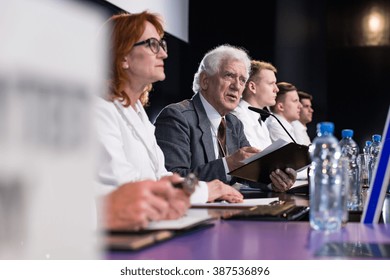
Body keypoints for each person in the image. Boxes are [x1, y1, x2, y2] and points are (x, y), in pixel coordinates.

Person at [96, 12, 243, 231]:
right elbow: (128, 191)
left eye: (162, 45)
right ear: (123, 56)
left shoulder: (137, 113)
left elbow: (164, 176)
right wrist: (206, 190)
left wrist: (211, 187)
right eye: (152, 45)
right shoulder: (99, 109)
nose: (164, 54)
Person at [155, 45, 297, 192]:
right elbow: (174, 180)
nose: (237, 86)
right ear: (205, 80)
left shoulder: (234, 123)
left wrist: (273, 181)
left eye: (242, 80)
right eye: (229, 75)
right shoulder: (177, 117)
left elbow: (248, 172)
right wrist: (227, 165)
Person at [232, 60, 278, 150]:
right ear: (252, 87)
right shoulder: (238, 117)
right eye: (271, 84)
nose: (276, 89)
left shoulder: (259, 120)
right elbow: (253, 157)